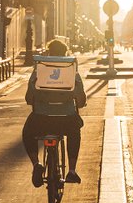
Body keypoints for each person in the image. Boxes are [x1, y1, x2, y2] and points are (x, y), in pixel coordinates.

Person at [22, 39, 87, 187]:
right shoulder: (71, 71)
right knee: (75, 133)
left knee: (27, 133)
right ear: (65, 53)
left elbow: (29, 98)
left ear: (49, 53)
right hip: (66, 121)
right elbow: (80, 100)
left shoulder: (40, 70)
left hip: (41, 120)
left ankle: (36, 164)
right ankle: (71, 170)